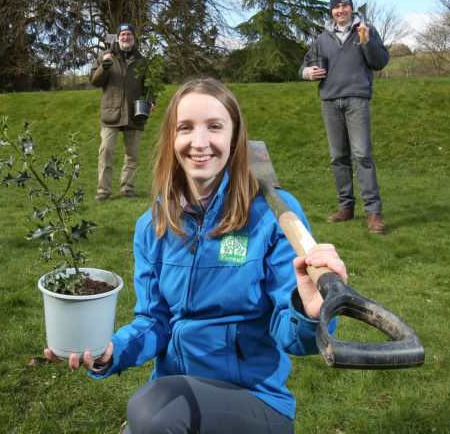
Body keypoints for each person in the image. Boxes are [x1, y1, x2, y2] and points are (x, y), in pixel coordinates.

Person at [45, 77, 349, 433]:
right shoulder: (152, 226)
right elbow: (154, 322)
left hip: (254, 400)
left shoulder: (273, 215)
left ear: (234, 138)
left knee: (150, 411)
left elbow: (295, 337)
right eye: (185, 128)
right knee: (147, 420)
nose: (199, 142)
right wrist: (111, 350)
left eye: (215, 127)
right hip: (174, 397)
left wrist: (308, 310)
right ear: (172, 139)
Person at [300, 0, 390, 234]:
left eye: (345, 6)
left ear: (351, 8)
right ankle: (346, 207)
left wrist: (367, 41)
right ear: (332, 11)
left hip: (357, 99)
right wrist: (309, 73)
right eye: (336, 7)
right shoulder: (322, 39)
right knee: (338, 157)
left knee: (362, 155)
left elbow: (380, 62)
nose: (341, 10)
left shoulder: (364, 30)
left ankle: (373, 213)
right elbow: (305, 65)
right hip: (329, 100)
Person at [90, 23, 155, 200]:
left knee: (132, 154)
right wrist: (104, 66)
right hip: (111, 113)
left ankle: (127, 188)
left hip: (135, 113)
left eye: (129, 35)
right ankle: (103, 191)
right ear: (118, 37)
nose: (126, 38)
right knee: (106, 152)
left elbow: (149, 85)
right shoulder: (105, 56)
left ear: (134, 38)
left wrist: (151, 101)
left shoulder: (142, 60)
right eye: (123, 35)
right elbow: (95, 81)